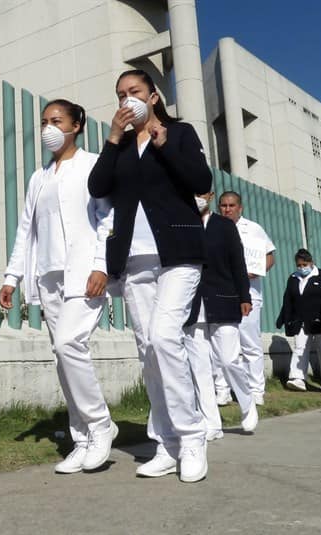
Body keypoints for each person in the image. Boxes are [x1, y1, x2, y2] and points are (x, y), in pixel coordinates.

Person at [88, 69, 212, 483]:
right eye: (121, 94)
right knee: (149, 352)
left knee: (163, 338)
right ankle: (166, 443)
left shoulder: (180, 133)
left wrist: (164, 144)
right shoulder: (121, 146)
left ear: (153, 96)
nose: (128, 99)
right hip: (134, 259)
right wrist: (113, 137)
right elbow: (97, 187)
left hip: (178, 254)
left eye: (135, 91)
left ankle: (191, 437)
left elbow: (201, 181)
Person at [0, 99, 118, 474]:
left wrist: (102, 265)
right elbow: (26, 229)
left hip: (85, 273)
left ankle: (101, 425)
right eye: (44, 122)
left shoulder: (93, 164)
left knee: (69, 344)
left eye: (56, 120)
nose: (48, 128)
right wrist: (12, 277)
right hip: (49, 277)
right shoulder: (39, 177)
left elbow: (108, 218)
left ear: (76, 125)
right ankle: (81, 439)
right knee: (62, 356)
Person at [183, 191, 258, 441]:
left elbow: (238, 263)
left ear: (210, 196)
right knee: (199, 367)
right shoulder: (183, 223)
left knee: (227, 360)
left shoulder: (224, 226)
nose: (197, 198)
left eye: (201, 193)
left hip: (223, 300)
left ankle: (247, 402)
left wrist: (244, 296)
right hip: (192, 304)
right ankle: (211, 423)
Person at [218, 191, 275, 406]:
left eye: (231, 205)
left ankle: (256, 389)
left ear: (240, 208)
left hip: (249, 293)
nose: (227, 209)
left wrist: (256, 271)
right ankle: (223, 389)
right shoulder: (213, 227)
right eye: (223, 205)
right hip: (222, 293)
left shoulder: (253, 229)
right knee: (222, 344)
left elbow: (269, 257)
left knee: (250, 343)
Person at [276, 249, 321, 394]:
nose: (302, 268)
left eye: (304, 264)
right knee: (300, 348)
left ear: (311, 262)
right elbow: (288, 299)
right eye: (299, 265)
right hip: (300, 320)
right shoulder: (293, 278)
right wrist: (283, 318)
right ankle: (297, 378)